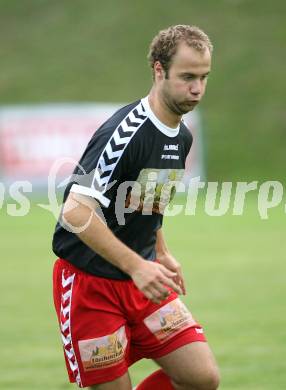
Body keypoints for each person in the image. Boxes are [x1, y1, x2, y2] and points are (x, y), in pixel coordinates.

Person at [52, 24, 220, 390]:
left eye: (204, 77)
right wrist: (137, 265)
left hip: (141, 278)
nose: (197, 88)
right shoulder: (124, 133)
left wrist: (160, 252)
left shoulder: (182, 135)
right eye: (187, 77)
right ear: (159, 70)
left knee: (201, 378)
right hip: (90, 284)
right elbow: (75, 212)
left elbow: (146, 199)